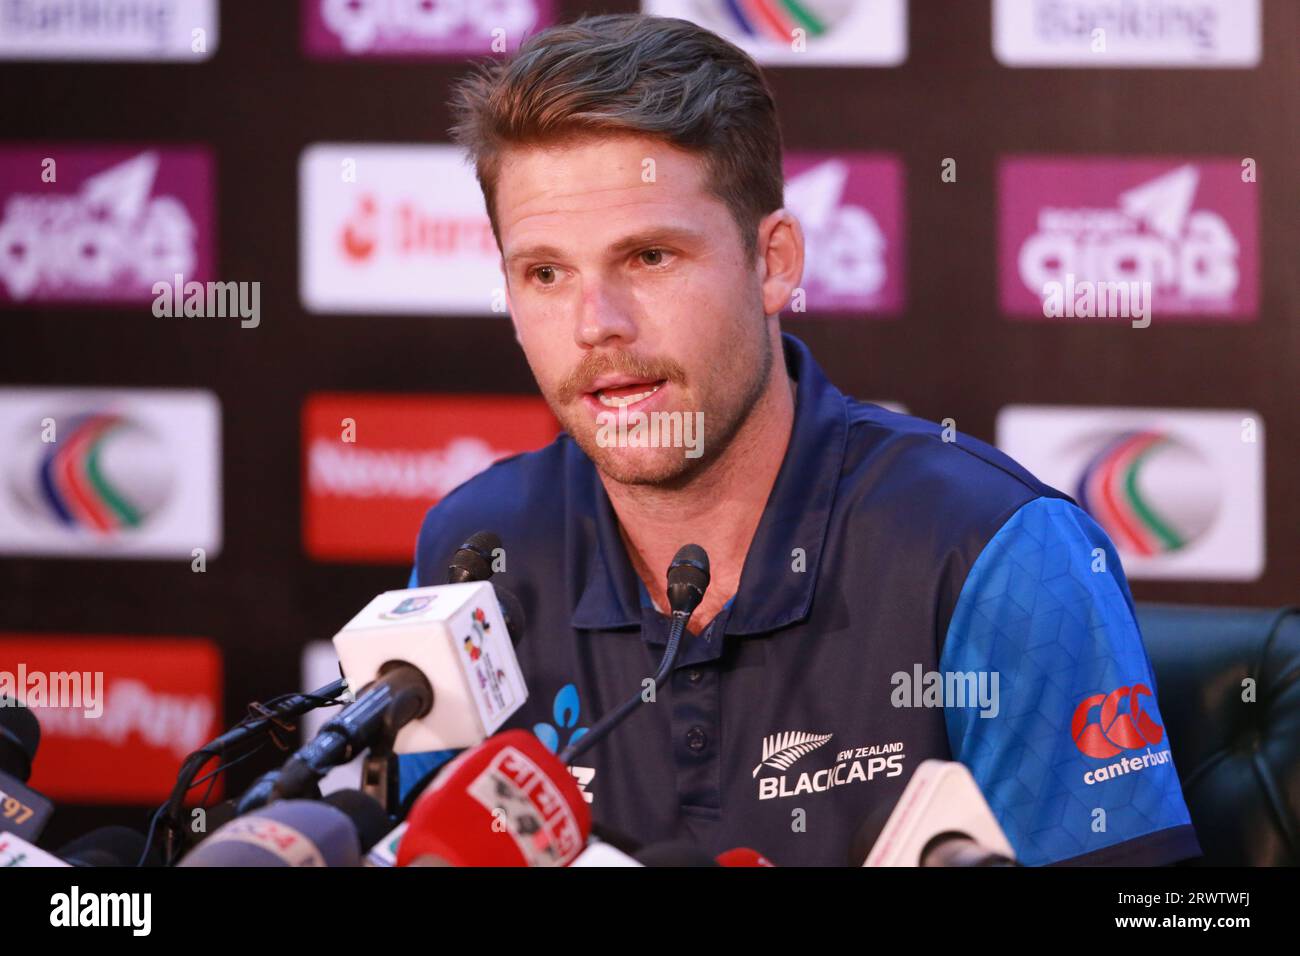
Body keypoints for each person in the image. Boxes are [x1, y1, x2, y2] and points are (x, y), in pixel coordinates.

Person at [399, 13, 1199, 866]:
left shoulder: (994, 546)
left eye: (650, 258)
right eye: (546, 273)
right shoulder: (477, 549)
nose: (596, 324)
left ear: (774, 260)